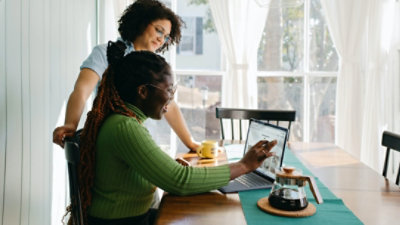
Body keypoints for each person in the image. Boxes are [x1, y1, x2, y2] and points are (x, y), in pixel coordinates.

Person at [76, 44, 277, 225]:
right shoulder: (125, 127)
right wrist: (244, 166)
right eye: (169, 90)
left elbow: (134, 174)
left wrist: (166, 169)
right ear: (143, 92)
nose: (171, 99)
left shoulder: (124, 121)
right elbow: (180, 181)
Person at [53, 0, 200, 152]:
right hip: (114, 143)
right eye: (159, 30)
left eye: (166, 37)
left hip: (145, 142)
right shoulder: (106, 53)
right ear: (141, 23)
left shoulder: (156, 66)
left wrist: (190, 142)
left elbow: (170, 106)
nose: (161, 39)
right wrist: (71, 123)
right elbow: (82, 91)